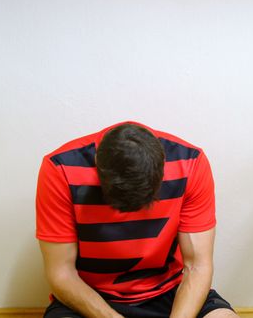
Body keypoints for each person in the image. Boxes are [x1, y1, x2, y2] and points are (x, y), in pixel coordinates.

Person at [36, 121, 238, 318]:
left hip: (171, 293)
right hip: (91, 297)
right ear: (98, 166)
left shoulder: (190, 162)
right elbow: (61, 273)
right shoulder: (59, 168)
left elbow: (197, 266)